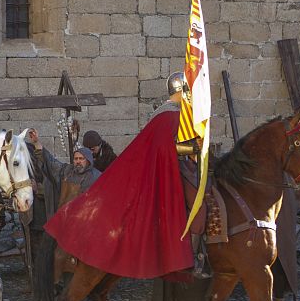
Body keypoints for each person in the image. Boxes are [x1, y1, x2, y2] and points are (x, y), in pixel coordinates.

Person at [44, 72, 196, 281]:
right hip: (167, 173)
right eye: (188, 92)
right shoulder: (170, 116)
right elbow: (165, 148)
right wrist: (196, 147)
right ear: (181, 91)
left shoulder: (165, 114)